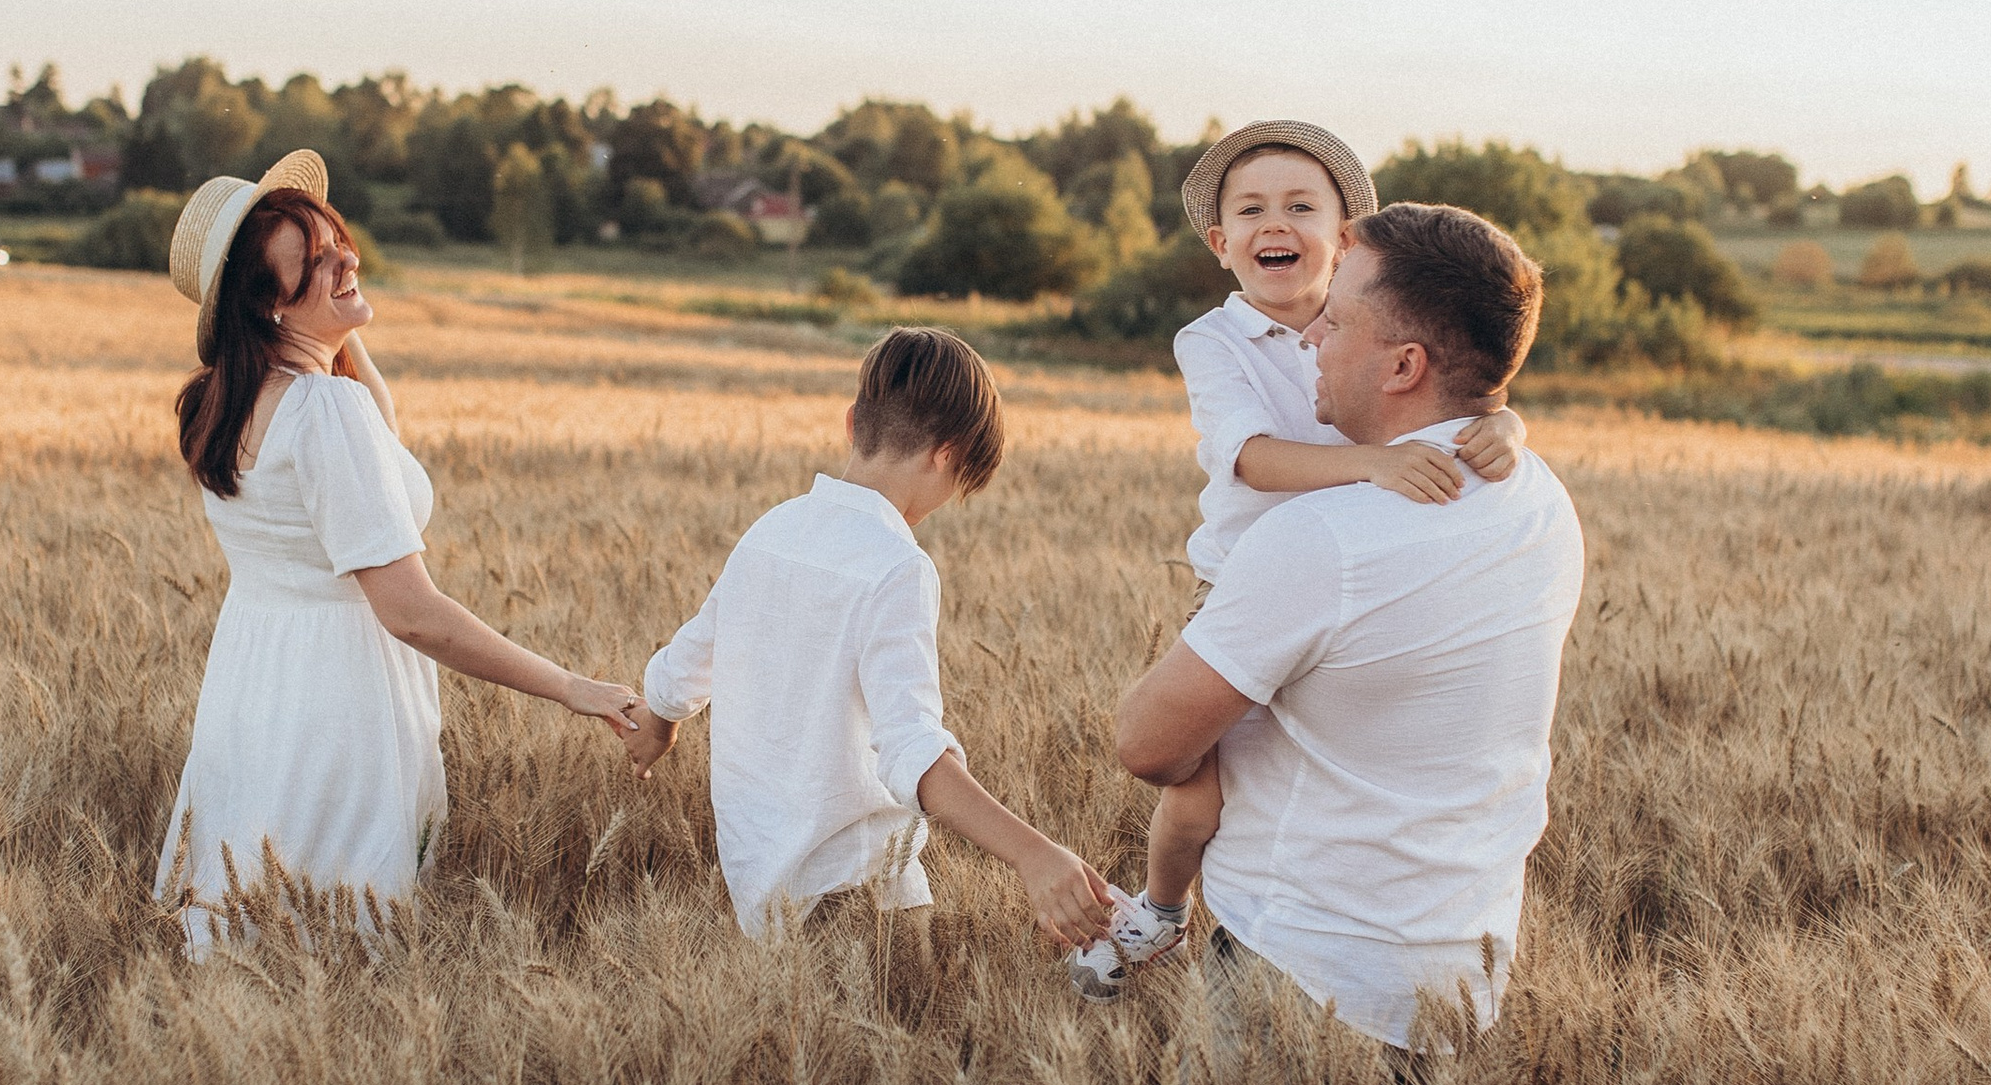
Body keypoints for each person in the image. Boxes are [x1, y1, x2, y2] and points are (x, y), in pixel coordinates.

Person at [1110, 200, 1584, 1085]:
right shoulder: (1543, 503)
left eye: (1338, 319)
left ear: (1405, 364)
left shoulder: (1322, 538)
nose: (1311, 337)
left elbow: (1147, 742)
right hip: (1458, 978)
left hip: (1298, 972)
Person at [1071, 119, 1525, 997]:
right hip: (1243, 584)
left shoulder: (1370, 321)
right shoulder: (1213, 341)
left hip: (1360, 587)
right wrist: (1373, 464)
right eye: (1250, 210)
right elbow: (1247, 457)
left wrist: (1505, 423)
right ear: (1221, 243)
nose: (1274, 222)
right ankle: (1162, 910)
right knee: (1199, 798)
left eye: (1300, 205)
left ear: (1345, 237)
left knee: (1309, 778)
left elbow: (1461, 378)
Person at [155, 151, 640, 954]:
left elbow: (375, 420)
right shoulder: (322, 411)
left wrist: (339, 312)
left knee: (257, 927)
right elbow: (412, 613)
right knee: (344, 941)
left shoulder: (227, 402)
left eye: (337, 237)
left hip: (255, 687)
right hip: (342, 700)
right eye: (314, 263)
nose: (346, 256)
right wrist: (571, 687)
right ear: (268, 307)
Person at [624, 324, 1112, 957]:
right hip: (861, 886)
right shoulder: (897, 566)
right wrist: (1035, 854)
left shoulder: (772, 528)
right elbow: (910, 753)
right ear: (948, 454)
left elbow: (688, 661)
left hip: (757, 880)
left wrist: (659, 724)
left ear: (853, 421)